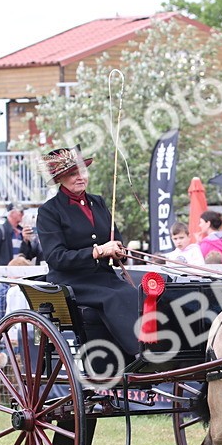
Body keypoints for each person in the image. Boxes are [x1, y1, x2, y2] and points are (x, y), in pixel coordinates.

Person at [35, 146, 141, 360]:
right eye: (73, 173)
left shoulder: (98, 202)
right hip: (72, 282)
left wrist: (118, 250)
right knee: (117, 295)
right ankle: (139, 352)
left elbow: (115, 239)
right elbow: (56, 258)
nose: (80, 177)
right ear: (60, 179)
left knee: (140, 293)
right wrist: (98, 251)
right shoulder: (49, 211)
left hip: (103, 277)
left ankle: (150, 349)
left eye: (82, 171)